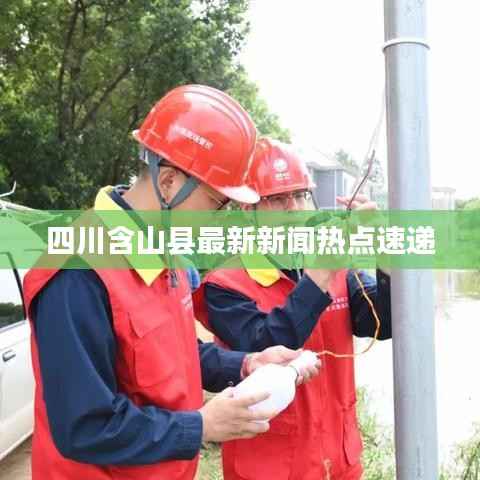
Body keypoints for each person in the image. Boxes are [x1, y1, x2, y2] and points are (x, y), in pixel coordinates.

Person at [23, 87, 320, 480]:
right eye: (216, 203)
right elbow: (85, 426)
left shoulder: (167, 255)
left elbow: (176, 355)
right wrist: (201, 426)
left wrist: (247, 362)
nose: (219, 218)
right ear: (168, 182)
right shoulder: (77, 271)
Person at [193, 138, 392, 480]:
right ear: (248, 210)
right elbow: (266, 347)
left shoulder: (335, 267)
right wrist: (318, 278)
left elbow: (383, 323)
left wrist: (385, 253)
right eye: (278, 199)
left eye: (300, 196)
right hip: (269, 470)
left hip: (338, 463)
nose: (294, 209)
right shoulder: (225, 284)